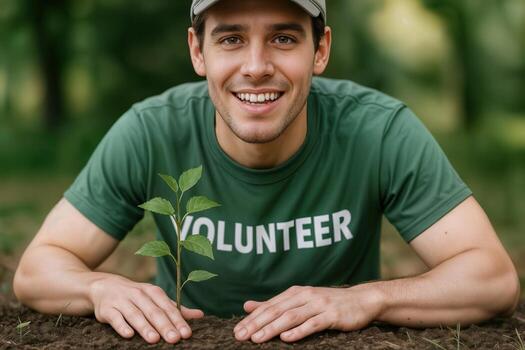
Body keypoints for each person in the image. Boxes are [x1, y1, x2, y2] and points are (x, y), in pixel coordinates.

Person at [13, 0, 520, 345]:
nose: (256, 66)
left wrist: (368, 298)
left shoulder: (379, 131)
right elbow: (39, 268)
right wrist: (99, 288)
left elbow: (491, 278)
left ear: (320, 50)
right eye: (231, 39)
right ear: (197, 51)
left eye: (282, 38)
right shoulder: (152, 132)